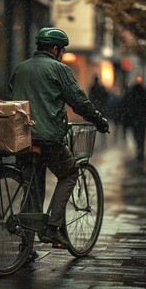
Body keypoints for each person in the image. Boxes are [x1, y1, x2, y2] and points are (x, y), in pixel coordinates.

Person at [7, 27, 109, 248]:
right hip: (47, 138)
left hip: (22, 138)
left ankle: (26, 248)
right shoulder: (58, 69)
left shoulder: (20, 68)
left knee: (32, 188)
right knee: (70, 172)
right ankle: (53, 228)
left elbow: (11, 95)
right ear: (55, 49)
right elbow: (80, 101)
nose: (61, 53)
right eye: (61, 50)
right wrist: (99, 121)